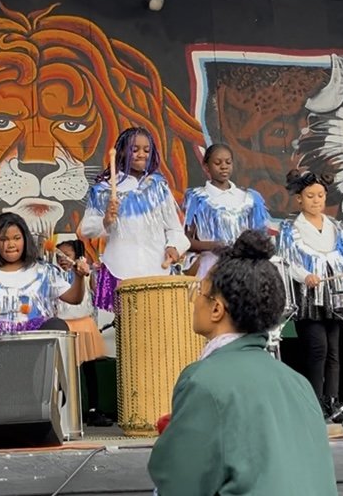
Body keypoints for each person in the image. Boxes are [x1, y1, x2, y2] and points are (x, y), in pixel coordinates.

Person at [148, 230, 337, 495]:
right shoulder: (299, 383)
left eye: (198, 291)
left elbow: (177, 484)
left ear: (217, 309)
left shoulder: (202, 381)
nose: (193, 302)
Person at [80, 127, 190, 311]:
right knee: (125, 332)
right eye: (135, 149)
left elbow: (175, 229)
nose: (142, 155)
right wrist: (106, 220)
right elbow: (86, 229)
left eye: (147, 150)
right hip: (120, 269)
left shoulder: (158, 186)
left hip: (157, 270)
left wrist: (173, 246)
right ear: (122, 151)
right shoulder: (104, 189)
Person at [276, 169, 343, 415]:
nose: (316, 200)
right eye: (310, 196)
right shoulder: (291, 228)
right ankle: (314, 400)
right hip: (309, 298)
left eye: (320, 195)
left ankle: (331, 400)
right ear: (299, 199)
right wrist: (305, 276)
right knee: (317, 348)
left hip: (331, 295)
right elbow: (286, 261)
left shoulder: (337, 227)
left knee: (334, 350)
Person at [0, 212, 84, 342]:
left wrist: (79, 277)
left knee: (57, 326)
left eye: (16, 238)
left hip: (35, 339)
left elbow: (74, 299)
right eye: (3, 239)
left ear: (25, 239)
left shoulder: (44, 270)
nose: (11, 244)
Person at [183, 143, 270, 279]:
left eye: (228, 162)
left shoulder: (249, 198)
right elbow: (186, 240)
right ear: (206, 167)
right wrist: (212, 246)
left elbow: (260, 236)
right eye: (217, 163)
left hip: (243, 268)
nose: (224, 166)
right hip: (212, 266)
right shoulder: (197, 198)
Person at [53, 239, 112, 427]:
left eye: (66, 255)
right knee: (64, 371)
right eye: (58, 256)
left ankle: (93, 409)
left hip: (85, 325)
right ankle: (65, 409)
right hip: (63, 326)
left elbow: (96, 289)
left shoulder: (85, 274)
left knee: (89, 370)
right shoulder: (53, 276)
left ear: (77, 257)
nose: (62, 259)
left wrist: (91, 271)